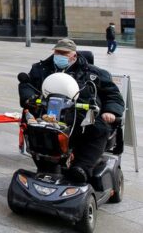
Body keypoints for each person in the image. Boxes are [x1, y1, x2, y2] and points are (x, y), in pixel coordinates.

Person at [18, 38, 124, 182]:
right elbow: (27, 85)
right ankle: (45, 166)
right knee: (32, 125)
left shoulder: (93, 73)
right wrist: (29, 98)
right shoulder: (40, 69)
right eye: (57, 52)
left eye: (64, 53)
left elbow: (113, 94)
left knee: (100, 127)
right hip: (49, 113)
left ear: (74, 55)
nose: (59, 55)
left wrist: (111, 111)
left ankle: (82, 168)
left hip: (81, 114)